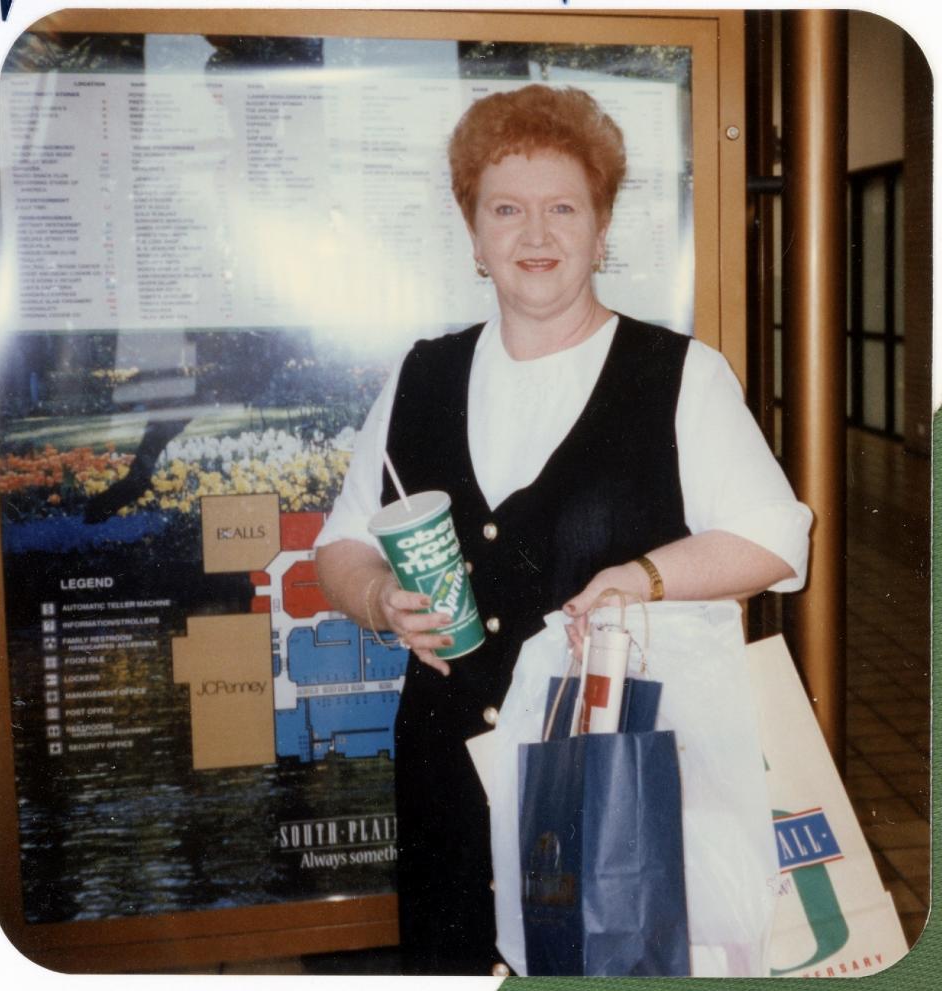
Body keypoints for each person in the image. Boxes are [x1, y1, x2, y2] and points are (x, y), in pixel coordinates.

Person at [315, 84, 811, 976]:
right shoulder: (423, 376)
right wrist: (381, 599)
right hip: (449, 782)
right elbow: (342, 545)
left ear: (601, 226)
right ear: (474, 235)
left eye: (562, 208)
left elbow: (778, 536)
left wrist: (645, 576)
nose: (534, 236)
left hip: (612, 790)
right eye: (506, 209)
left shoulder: (679, 374)